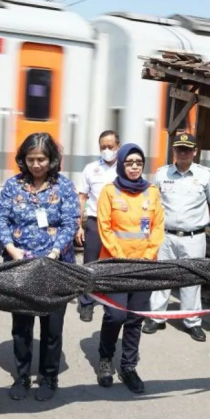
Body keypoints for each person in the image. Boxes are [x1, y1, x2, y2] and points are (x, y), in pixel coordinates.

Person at [0, 132, 80, 402]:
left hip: (55, 267)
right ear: (23, 159)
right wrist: (11, 249)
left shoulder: (63, 187)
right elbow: (0, 221)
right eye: (30, 159)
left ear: (52, 159)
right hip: (20, 266)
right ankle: (21, 376)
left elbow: (70, 222)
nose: (36, 165)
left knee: (52, 326)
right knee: (22, 325)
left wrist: (55, 252)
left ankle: (49, 376)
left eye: (41, 159)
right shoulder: (13, 185)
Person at [95, 143, 164, 393]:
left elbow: (158, 227)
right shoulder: (109, 192)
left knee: (135, 318)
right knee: (115, 315)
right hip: (115, 264)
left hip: (144, 266)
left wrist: (147, 256)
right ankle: (105, 359)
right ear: (121, 163)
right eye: (129, 162)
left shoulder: (152, 192)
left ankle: (128, 366)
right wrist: (122, 257)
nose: (134, 167)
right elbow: (104, 227)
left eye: (138, 162)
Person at [143, 132, 210, 341]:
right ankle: (156, 317)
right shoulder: (162, 174)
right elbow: (152, 202)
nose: (183, 153)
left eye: (188, 149)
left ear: (195, 152)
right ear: (174, 151)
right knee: (162, 277)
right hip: (166, 236)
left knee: (192, 280)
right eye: (180, 149)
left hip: (193, 237)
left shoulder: (205, 175)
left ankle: (192, 321)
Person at [75, 130, 120, 322]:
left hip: (118, 224)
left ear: (118, 146)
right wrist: (79, 224)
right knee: (90, 264)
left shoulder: (125, 168)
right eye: (103, 147)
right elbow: (82, 197)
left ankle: (111, 299)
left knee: (114, 264)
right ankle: (86, 303)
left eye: (110, 146)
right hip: (95, 222)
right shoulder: (91, 168)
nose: (107, 150)